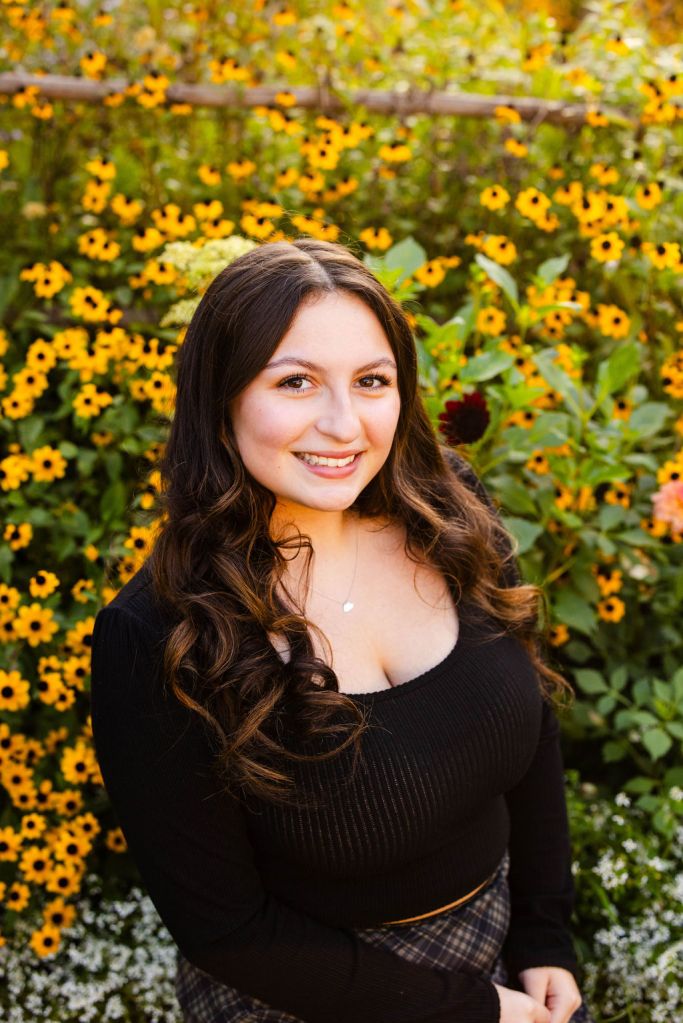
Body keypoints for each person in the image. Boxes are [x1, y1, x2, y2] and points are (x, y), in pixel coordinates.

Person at [90, 237, 594, 1023]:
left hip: (496, 961)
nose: (344, 424)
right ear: (219, 400)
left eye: (371, 381)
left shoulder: (448, 512)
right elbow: (227, 930)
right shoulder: (159, 634)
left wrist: (542, 931)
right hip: (305, 995)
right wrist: (474, 1011)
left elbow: (530, 725)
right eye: (294, 382)